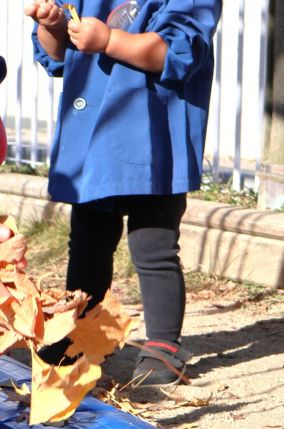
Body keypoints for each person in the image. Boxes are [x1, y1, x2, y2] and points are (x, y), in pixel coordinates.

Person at [25, 0, 222, 385]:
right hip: (95, 140)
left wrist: (109, 39)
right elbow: (58, 58)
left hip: (155, 137)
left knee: (154, 247)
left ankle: (163, 346)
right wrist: (51, 26)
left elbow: (176, 53)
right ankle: (80, 333)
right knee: (88, 243)